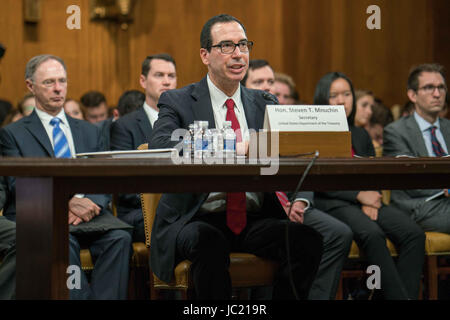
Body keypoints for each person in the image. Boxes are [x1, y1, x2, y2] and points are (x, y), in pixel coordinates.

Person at [148, 14, 323, 300]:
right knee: (209, 242)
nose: (238, 54)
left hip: (252, 217)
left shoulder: (264, 102)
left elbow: (288, 151)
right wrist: (233, 147)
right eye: (227, 46)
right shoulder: (178, 100)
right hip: (196, 216)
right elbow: (162, 148)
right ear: (205, 55)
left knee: (306, 241)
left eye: (243, 45)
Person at [0, 54, 133, 299]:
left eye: (62, 81)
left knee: (120, 238)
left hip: (91, 214)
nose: (58, 88)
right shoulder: (12, 134)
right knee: (62, 240)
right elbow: (18, 183)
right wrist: (65, 201)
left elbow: (103, 177)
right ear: (31, 86)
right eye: (49, 82)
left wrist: (91, 203)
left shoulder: (89, 131)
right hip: (43, 214)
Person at [243, 60, 352, 299]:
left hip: (295, 201)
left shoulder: (287, 119)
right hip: (265, 206)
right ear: (244, 86)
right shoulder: (244, 121)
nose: (267, 87)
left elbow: (307, 163)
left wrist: (301, 201)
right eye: (259, 82)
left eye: (270, 81)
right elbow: (250, 176)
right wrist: (277, 202)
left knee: (338, 233)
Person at [313, 71, 425, 300]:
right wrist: (358, 196)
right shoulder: (314, 133)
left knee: (413, 234)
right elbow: (318, 179)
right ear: (322, 100)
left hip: (365, 198)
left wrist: (371, 195)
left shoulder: (360, 133)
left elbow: (371, 171)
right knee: (373, 234)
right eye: (334, 95)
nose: (342, 100)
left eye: (347, 94)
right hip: (332, 201)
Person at [110, 54, 176, 242]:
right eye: (159, 75)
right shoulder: (124, 126)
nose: (166, 82)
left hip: (180, 206)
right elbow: (123, 184)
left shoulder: (186, 123)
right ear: (143, 81)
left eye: (171, 76)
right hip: (138, 211)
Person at [383, 63, 450, 233]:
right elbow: (410, 177)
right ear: (412, 95)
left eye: (441, 87)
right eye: (429, 88)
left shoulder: (448, 127)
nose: (437, 94)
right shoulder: (396, 131)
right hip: (420, 205)